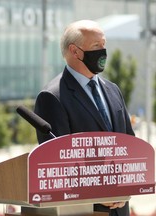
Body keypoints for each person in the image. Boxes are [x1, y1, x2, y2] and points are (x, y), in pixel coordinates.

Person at [34, 20, 134, 216]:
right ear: (75, 51)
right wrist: (99, 194)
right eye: (96, 46)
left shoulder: (113, 91)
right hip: (84, 210)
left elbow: (130, 146)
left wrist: (126, 190)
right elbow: (59, 165)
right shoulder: (52, 97)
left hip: (120, 208)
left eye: (104, 44)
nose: (103, 51)